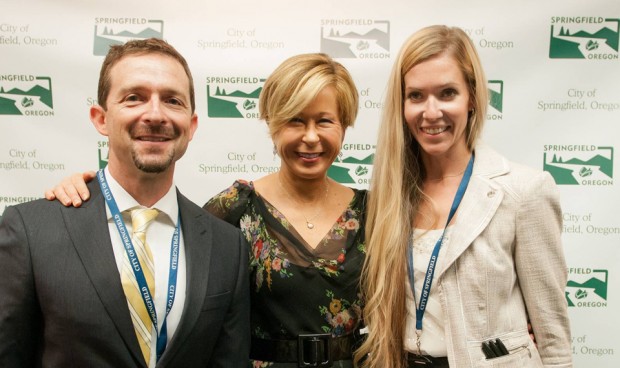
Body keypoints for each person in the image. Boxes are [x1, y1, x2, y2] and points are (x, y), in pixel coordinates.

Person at [44, 52, 366, 368]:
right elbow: (164, 246)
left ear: (344, 126)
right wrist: (91, 190)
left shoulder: (375, 211)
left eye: (324, 121)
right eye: (296, 120)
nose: (310, 137)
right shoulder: (237, 206)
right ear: (273, 124)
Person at [0, 38, 250, 368]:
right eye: (135, 98)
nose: (155, 114)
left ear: (191, 126)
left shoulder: (227, 246)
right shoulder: (31, 230)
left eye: (173, 100)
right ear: (100, 118)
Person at [354, 25, 572, 368]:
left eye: (447, 93)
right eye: (416, 96)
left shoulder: (524, 191)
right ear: (401, 104)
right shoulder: (388, 196)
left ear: (471, 97)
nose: (431, 112)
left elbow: (553, 334)